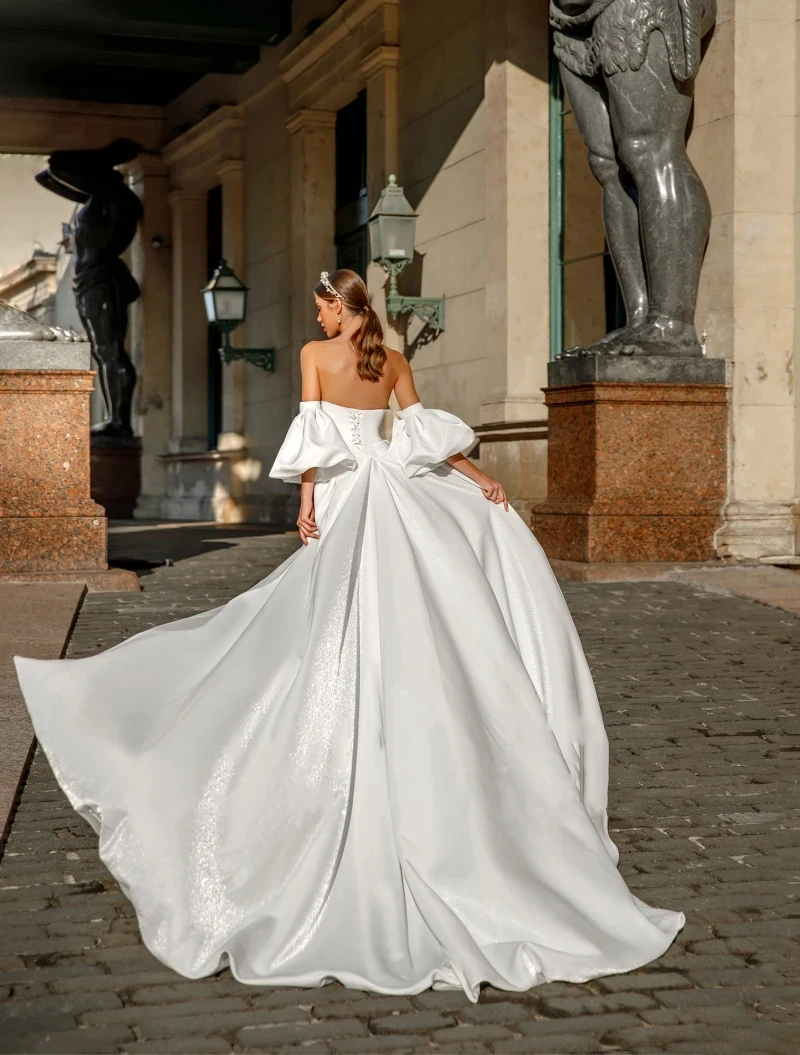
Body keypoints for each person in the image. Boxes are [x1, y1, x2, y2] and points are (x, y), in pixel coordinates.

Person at [14, 268, 684, 1003]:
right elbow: (421, 438)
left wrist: (306, 505)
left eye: (323, 308)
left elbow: (315, 443)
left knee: (315, 632)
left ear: (340, 305)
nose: (320, 319)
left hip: (345, 499)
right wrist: (477, 478)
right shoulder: (392, 359)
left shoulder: (312, 356)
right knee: (416, 623)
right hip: (396, 496)